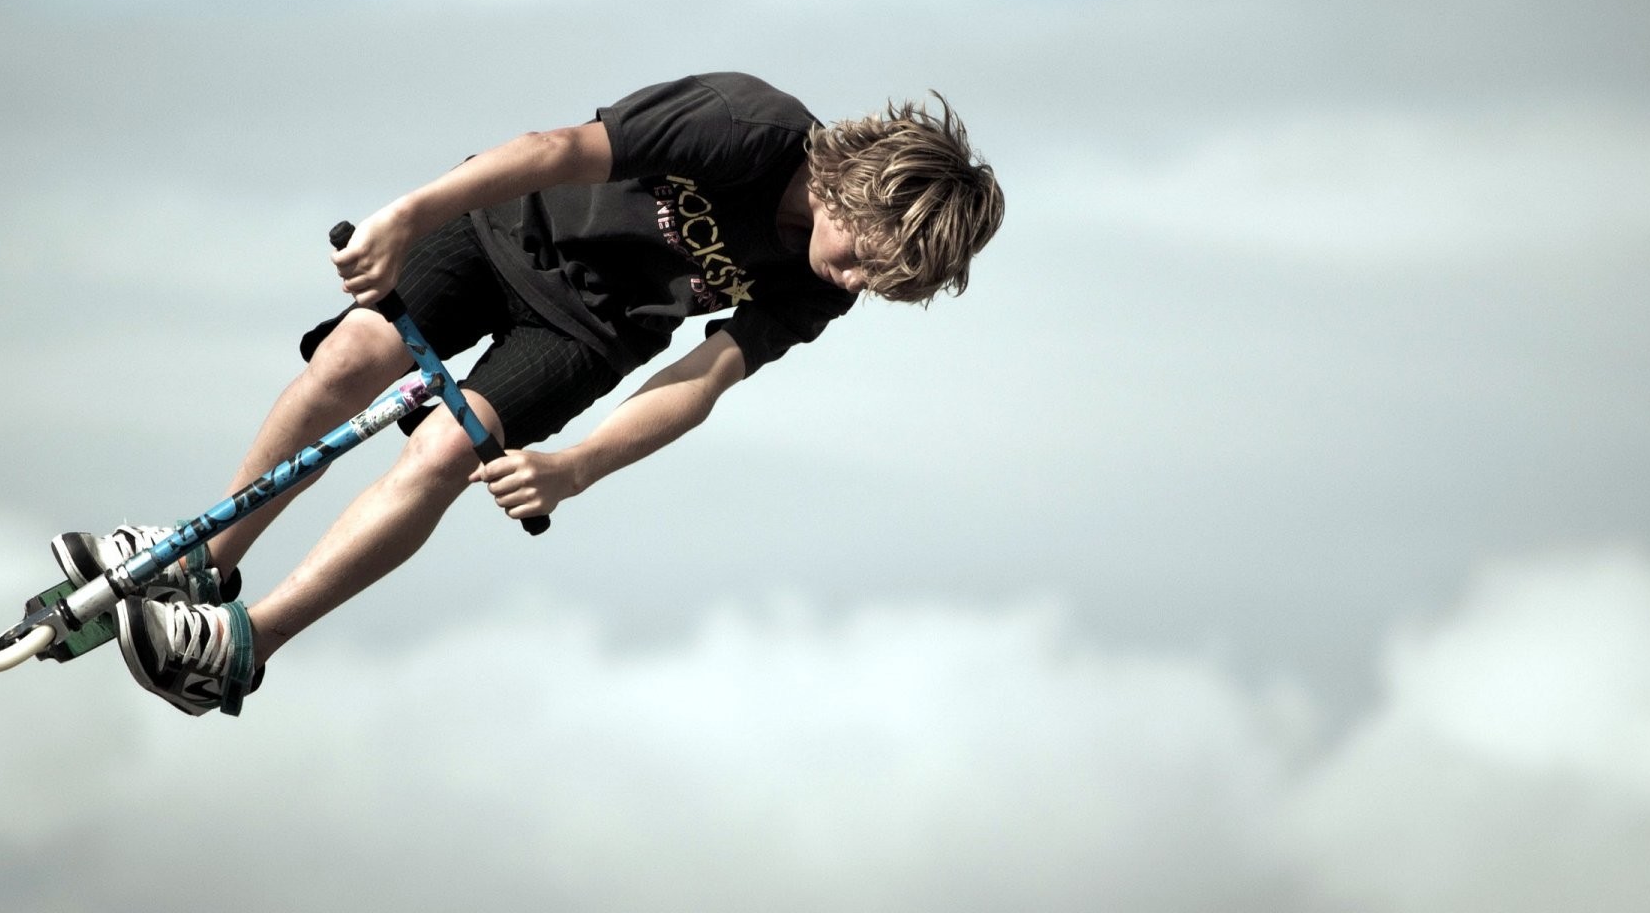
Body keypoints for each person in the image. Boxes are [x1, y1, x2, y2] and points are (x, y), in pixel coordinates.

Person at [53, 72, 1004, 716]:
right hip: (505, 224)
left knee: (445, 451)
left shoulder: (808, 286)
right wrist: (406, 217)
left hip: (586, 332)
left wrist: (575, 468)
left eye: (879, 286)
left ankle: (240, 649)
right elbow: (554, 149)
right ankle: (203, 564)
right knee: (351, 360)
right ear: (857, 194)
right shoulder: (743, 123)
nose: (853, 287)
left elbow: (700, 380)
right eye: (863, 263)